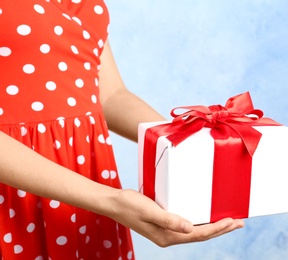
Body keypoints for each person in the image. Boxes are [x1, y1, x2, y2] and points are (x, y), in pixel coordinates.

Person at [0, 0, 244, 259]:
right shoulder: (109, 201)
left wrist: (184, 141)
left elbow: (110, 95)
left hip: (89, 192)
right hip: (18, 193)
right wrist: (109, 201)